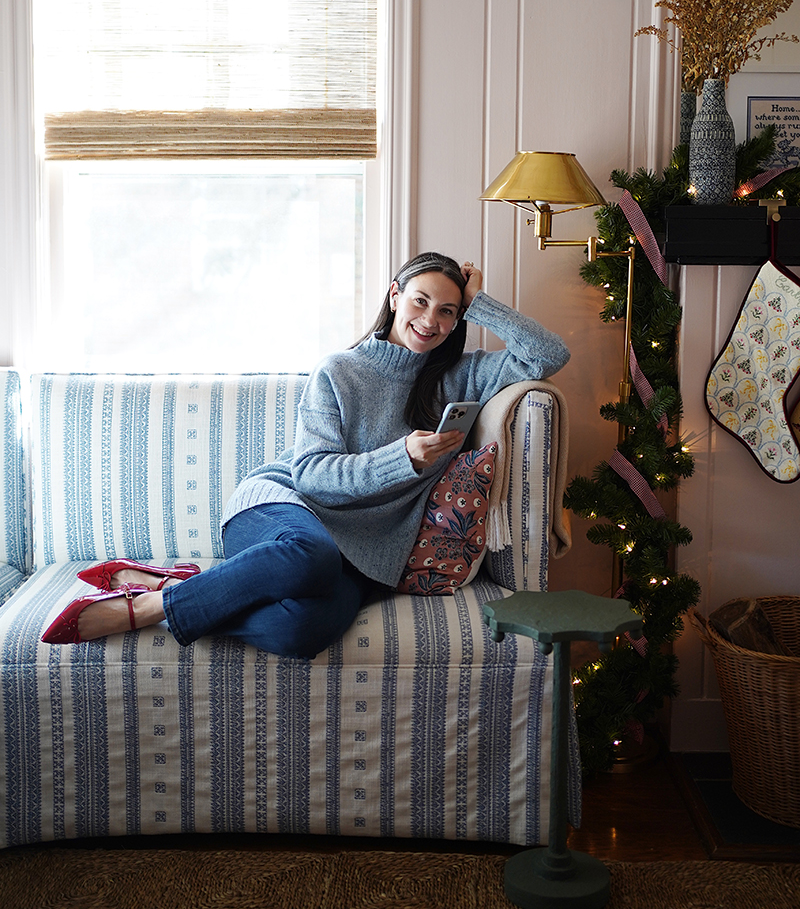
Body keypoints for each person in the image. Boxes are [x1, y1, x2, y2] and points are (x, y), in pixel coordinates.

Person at [42, 253, 570, 657]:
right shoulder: (339, 371)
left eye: (448, 311)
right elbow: (313, 477)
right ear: (394, 296)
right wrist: (402, 457)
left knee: (302, 631)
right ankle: (147, 609)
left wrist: (481, 300)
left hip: (366, 551)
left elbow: (549, 354)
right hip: (285, 509)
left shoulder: (460, 375)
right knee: (310, 556)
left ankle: (179, 584)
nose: (431, 320)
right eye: (420, 301)